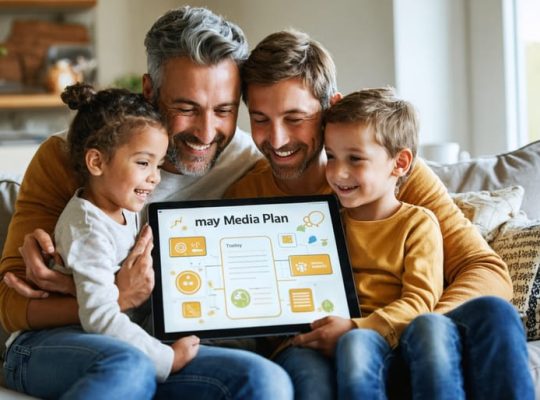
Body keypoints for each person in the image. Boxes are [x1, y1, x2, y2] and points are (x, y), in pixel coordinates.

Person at [0, 6, 294, 400]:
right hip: (61, 342)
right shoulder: (68, 156)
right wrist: (116, 297)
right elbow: (10, 305)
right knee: (128, 368)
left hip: (155, 343)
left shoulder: (248, 167)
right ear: (150, 91)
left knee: (264, 381)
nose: (206, 132)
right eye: (186, 108)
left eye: (224, 110)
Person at [224, 29, 533, 399]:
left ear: (329, 110)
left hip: (407, 331)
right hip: (313, 347)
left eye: (295, 118)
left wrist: (412, 329)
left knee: (493, 315)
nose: (276, 140)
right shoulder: (243, 196)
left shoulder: (396, 177)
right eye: (260, 119)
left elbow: (485, 270)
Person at [53, 83, 199, 384]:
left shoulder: (123, 206)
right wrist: (168, 358)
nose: (155, 177)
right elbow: (100, 317)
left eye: (158, 165)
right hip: (60, 340)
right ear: (96, 162)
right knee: (134, 368)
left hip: (104, 333)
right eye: (143, 163)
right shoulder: (87, 229)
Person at [323, 87, 462, 399]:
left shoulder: (418, 223)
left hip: (396, 339)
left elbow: (420, 302)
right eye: (330, 156)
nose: (337, 172)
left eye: (355, 158)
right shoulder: (326, 222)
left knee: (355, 345)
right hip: (341, 335)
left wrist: (358, 328)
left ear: (399, 163)